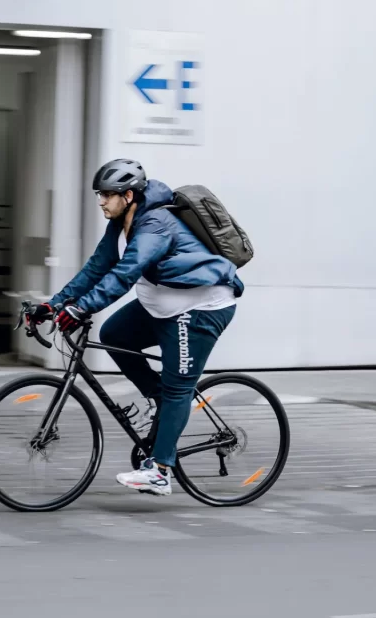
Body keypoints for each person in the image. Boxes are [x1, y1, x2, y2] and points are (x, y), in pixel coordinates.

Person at [28, 158, 244, 496]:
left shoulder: (155, 224)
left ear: (128, 195)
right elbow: (96, 270)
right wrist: (53, 304)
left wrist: (82, 307)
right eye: (99, 194)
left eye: (107, 195)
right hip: (162, 306)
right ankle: (160, 402)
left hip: (200, 308)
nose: (101, 200)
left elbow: (126, 272)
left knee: (178, 388)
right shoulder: (119, 224)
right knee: (113, 334)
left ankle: (160, 471)